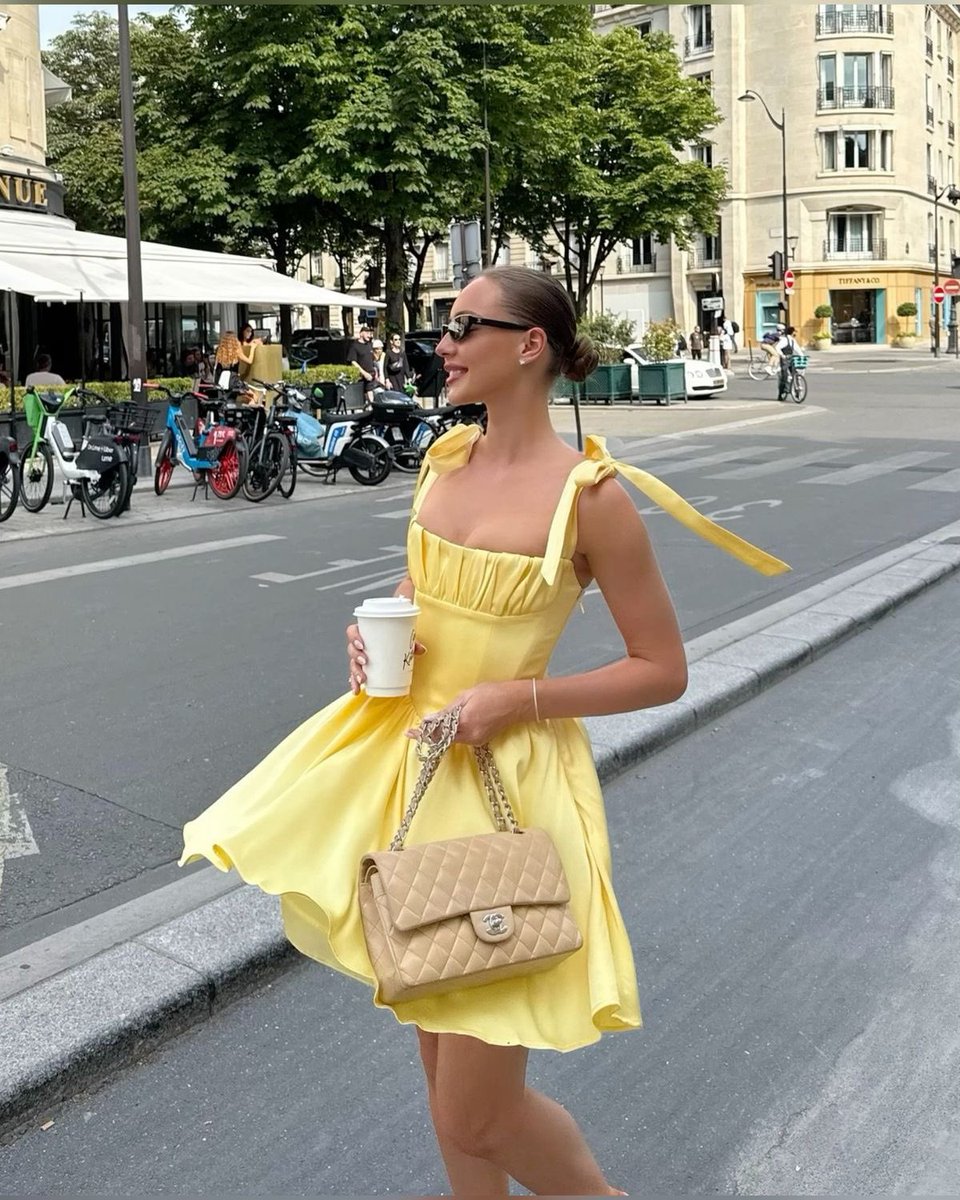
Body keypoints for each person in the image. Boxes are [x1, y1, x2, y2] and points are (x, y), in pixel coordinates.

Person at [179, 266, 787, 1197]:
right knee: (439, 1076)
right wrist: (373, 632)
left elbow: (661, 669)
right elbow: (418, 594)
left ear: (530, 345)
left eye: (465, 325)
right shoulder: (445, 460)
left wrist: (519, 699)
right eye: (444, 324)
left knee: (480, 1109)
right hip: (410, 768)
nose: (445, 344)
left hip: (512, 790)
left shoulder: (592, 498)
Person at [347, 323, 378, 405]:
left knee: (370, 395)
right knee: (363, 398)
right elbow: (353, 362)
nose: (370, 335)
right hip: (361, 377)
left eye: (371, 333)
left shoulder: (370, 345)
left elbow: (373, 360)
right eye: (367, 333)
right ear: (361, 333)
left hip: (371, 375)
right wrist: (364, 373)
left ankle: (372, 408)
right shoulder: (354, 346)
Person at [776, 324, 800, 400]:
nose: (795, 334)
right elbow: (777, 348)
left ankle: (796, 389)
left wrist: (802, 356)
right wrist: (782, 355)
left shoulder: (793, 340)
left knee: (795, 373)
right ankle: (781, 392)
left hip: (791, 357)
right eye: (794, 332)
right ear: (791, 333)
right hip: (785, 358)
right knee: (784, 376)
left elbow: (797, 349)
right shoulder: (784, 340)